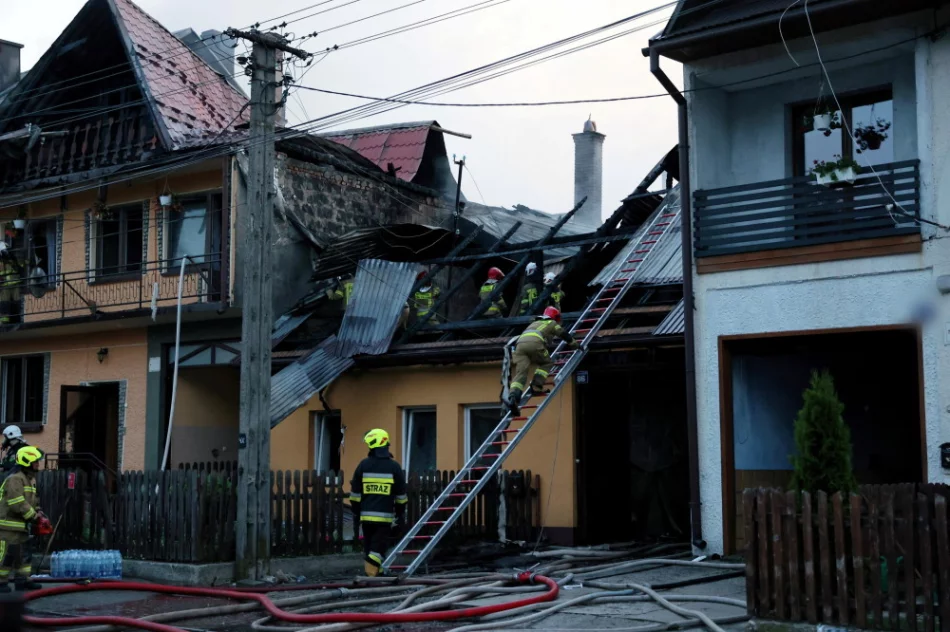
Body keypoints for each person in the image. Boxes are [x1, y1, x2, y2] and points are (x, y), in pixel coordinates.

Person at [349, 429, 407, 577]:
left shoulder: (363, 465)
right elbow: (401, 496)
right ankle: (371, 574)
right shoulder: (394, 467)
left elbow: (355, 495)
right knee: (378, 549)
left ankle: (376, 575)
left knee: (370, 547)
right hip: (384, 519)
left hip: (366, 518)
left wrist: (356, 513)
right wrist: (400, 514)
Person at [505, 307, 579, 415]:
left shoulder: (534, 323)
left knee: (521, 372)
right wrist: (575, 344)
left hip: (519, 346)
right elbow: (563, 334)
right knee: (546, 362)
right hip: (535, 344)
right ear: (554, 316)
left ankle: (513, 397)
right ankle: (536, 386)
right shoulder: (551, 322)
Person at [0, 446, 45, 592]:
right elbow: (17, 502)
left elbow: (32, 501)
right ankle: (1, 583)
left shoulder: (29, 480)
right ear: (27, 461)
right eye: (35, 461)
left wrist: (38, 511)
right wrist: (33, 516)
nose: (38, 464)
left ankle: (22, 580)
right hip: (7, 526)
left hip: (21, 526)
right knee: (6, 556)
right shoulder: (15, 479)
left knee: (23, 557)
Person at [0, 242, 22, 325]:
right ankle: (4, 321)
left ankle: (17, 318)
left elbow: (19, 267)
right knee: (4, 303)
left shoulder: (12, 258)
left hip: (14, 283)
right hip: (5, 286)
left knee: (16, 302)